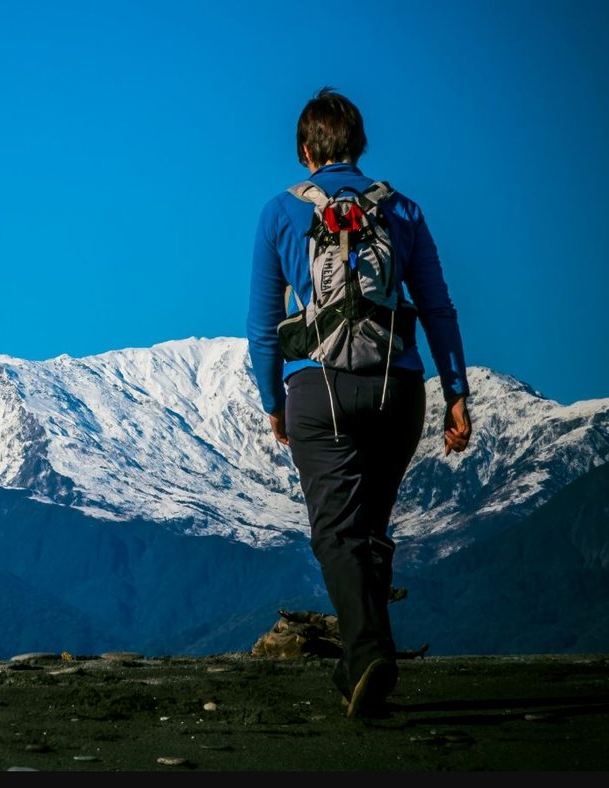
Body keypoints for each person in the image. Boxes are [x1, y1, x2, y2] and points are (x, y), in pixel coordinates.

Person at [245, 87, 473, 718]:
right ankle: (358, 669)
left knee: (337, 534)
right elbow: (437, 307)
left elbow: (265, 325)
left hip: (318, 391)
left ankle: (370, 654)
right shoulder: (404, 211)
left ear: (304, 151)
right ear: (360, 146)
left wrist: (273, 400)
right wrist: (456, 392)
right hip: (398, 390)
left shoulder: (278, 215)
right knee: (369, 529)